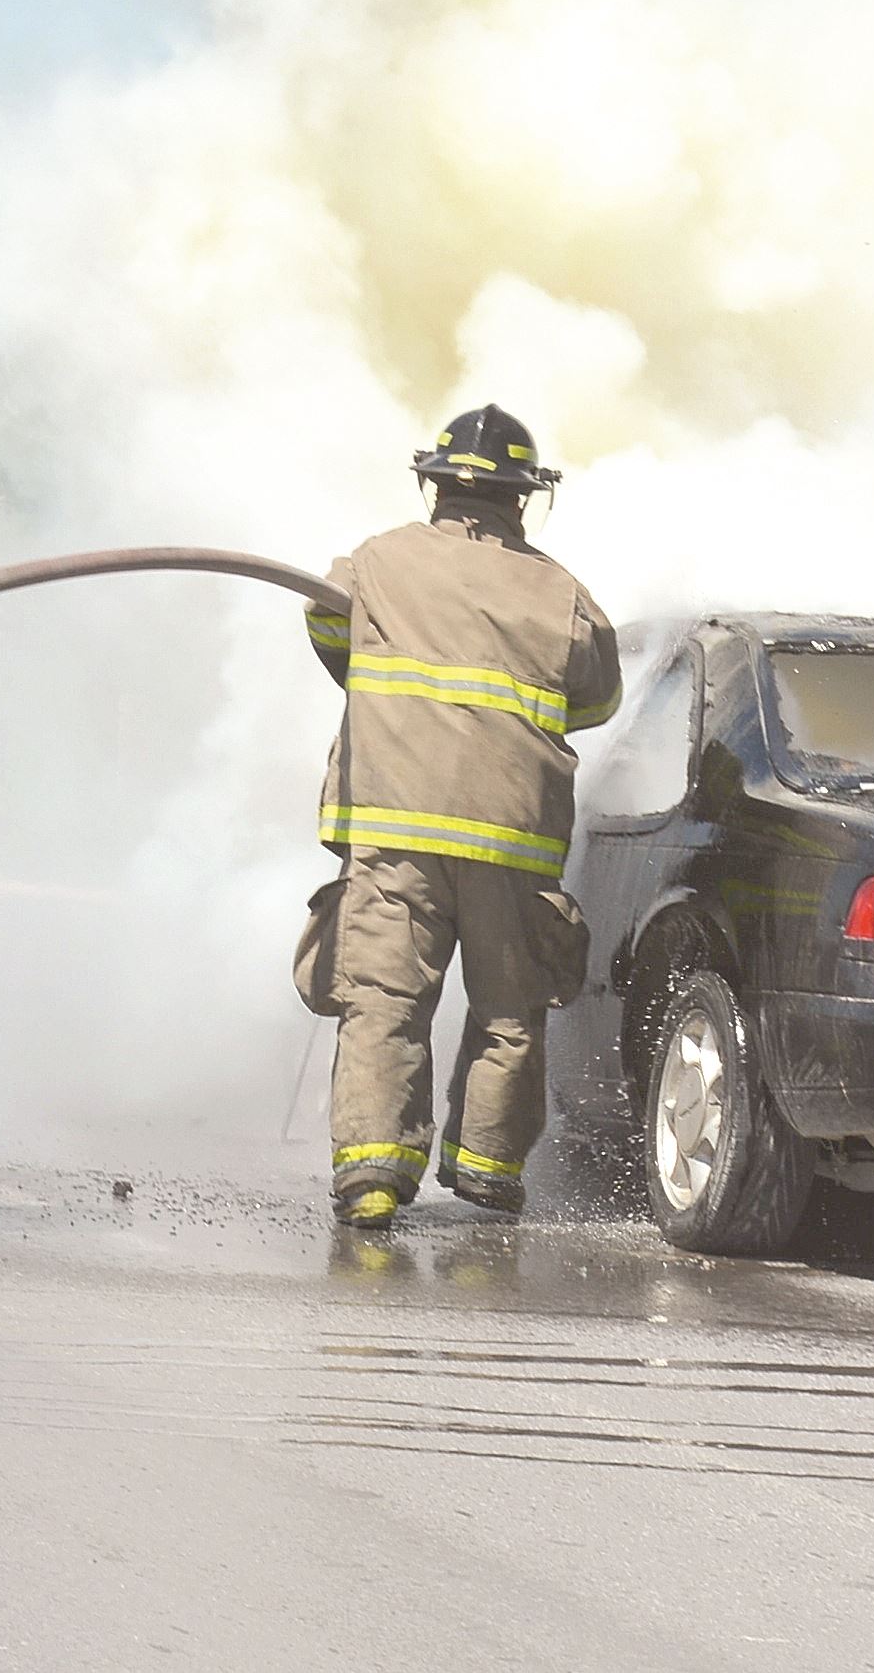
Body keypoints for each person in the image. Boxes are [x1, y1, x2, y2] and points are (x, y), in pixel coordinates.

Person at [306, 404, 620, 1229]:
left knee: (383, 1001)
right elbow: (596, 697)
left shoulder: (373, 562)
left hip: (394, 833)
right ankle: (486, 1174)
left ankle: (373, 1176)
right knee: (509, 1012)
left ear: (434, 484)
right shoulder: (563, 593)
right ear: (523, 500)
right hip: (510, 842)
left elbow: (326, 631)